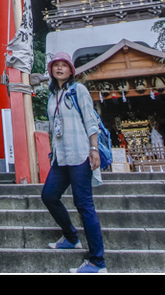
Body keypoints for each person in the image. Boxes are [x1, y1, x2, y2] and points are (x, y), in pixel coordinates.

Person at [41, 51, 106, 274]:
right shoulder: (52, 96)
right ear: (51, 70)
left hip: (80, 154)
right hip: (61, 157)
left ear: (71, 70)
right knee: (48, 195)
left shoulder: (78, 90)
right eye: (55, 65)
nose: (59, 68)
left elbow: (90, 120)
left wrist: (94, 148)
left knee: (84, 204)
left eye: (64, 65)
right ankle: (70, 237)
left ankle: (98, 262)